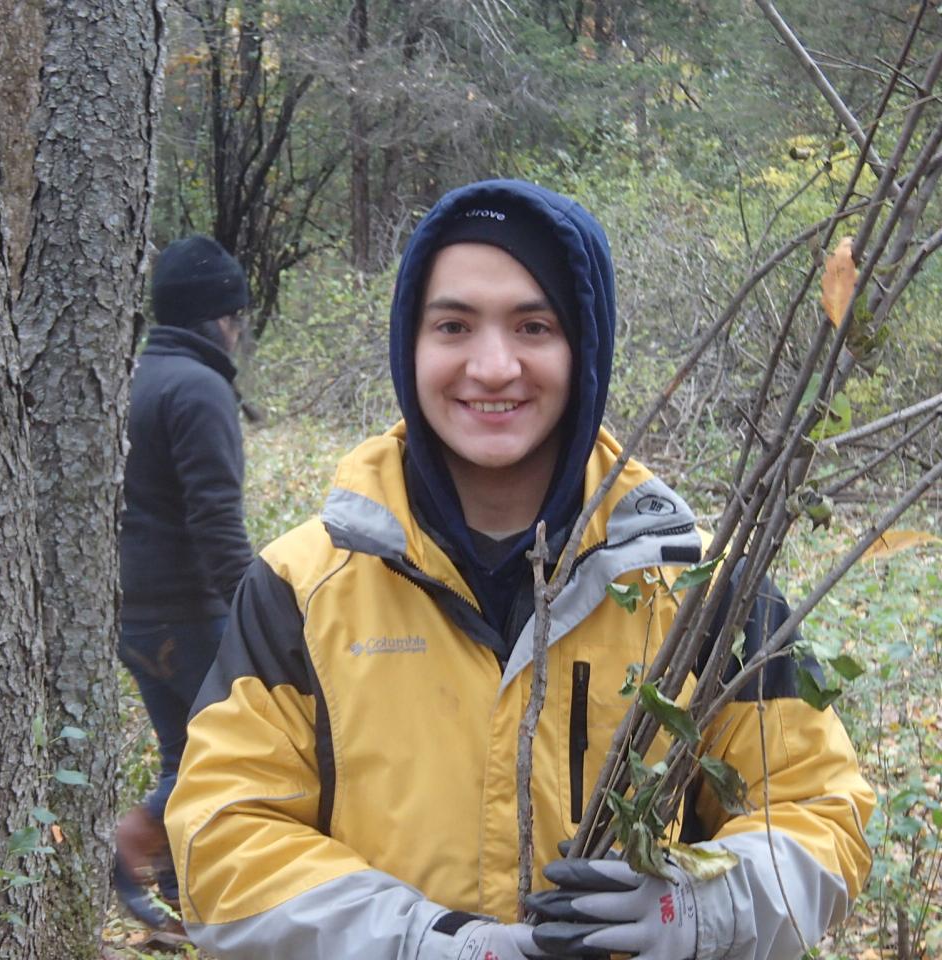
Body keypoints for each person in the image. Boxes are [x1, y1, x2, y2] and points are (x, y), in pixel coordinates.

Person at [164, 180, 875, 960]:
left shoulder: (702, 587)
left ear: (587, 347)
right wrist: (422, 944)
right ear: (412, 342)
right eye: (454, 325)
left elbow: (821, 812)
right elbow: (220, 836)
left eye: (534, 326)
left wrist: (699, 906)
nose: (493, 366)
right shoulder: (304, 587)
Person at [115, 235, 255, 929]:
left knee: (184, 751)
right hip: (188, 614)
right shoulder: (199, 390)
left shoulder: (135, 376)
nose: (239, 332)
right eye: (238, 317)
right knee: (222, 755)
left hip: (132, 614)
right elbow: (216, 521)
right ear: (220, 318)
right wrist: (257, 612)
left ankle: (176, 902)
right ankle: (129, 845)